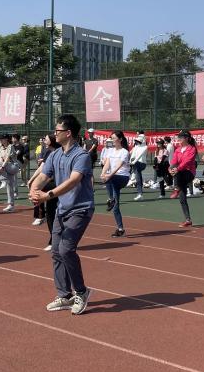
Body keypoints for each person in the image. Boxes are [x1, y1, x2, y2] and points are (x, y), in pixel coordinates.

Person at [29, 114, 95, 315]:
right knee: (57, 252)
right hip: (62, 209)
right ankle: (64, 295)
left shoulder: (81, 156)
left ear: (68, 133)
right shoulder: (55, 154)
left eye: (57, 130)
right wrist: (34, 190)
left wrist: (47, 195)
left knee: (66, 249)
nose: (54, 133)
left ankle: (81, 292)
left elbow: (73, 180)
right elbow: (43, 175)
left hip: (80, 209)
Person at [28, 133, 59, 249]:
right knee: (51, 213)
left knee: (59, 214)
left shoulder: (59, 152)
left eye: (46, 139)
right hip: (51, 185)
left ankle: (40, 214)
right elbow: (42, 168)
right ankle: (53, 240)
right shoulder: (48, 152)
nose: (44, 141)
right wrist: (32, 179)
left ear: (52, 141)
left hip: (60, 185)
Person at [101, 130, 131, 237]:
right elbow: (107, 164)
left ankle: (111, 199)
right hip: (113, 179)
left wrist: (108, 176)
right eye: (111, 138)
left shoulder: (124, 152)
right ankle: (120, 229)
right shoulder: (111, 151)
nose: (112, 140)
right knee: (116, 207)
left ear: (120, 139)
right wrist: (103, 173)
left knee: (109, 178)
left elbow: (119, 166)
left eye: (114, 138)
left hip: (123, 178)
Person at [169, 130, 197, 227]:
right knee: (182, 198)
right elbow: (174, 161)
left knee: (179, 172)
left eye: (181, 137)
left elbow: (187, 162)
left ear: (187, 138)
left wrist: (177, 169)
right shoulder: (177, 150)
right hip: (180, 175)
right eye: (178, 137)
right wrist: (170, 168)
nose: (179, 139)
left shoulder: (192, 149)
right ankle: (188, 220)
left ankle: (176, 188)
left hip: (189, 173)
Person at [0, 133, 19, 212]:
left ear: (7, 139)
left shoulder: (10, 146)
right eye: (0, 139)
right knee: (9, 186)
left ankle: (3, 180)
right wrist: (0, 168)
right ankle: (11, 205)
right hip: (6, 168)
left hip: (13, 166)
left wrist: (1, 167)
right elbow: (1, 159)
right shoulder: (1, 148)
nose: (0, 140)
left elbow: (7, 158)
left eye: (2, 139)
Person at [129, 134, 148, 200]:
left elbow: (139, 155)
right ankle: (140, 193)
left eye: (138, 141)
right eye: (136, 141)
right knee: (138, 177)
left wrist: (134, 162)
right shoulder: (136, 147)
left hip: (142, 164)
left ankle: (132, 179)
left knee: (137, 175)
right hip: (136, 164)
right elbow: (133, 155)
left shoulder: (145, 147)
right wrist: (130, 161)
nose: (137, 142)